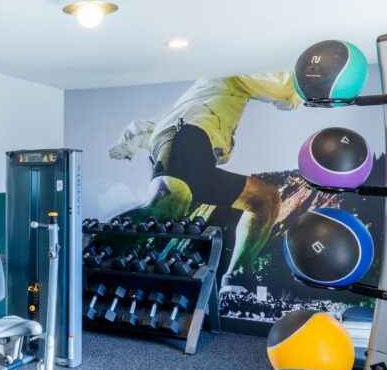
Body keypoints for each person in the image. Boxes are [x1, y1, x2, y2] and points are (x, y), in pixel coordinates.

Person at [108, 73, 301, 291]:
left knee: (265, 199)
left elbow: (145, 127)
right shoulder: (229, 73)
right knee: (169, 203)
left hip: (193, 150)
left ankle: (235, 281)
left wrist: (126, 145)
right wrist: (305, 89)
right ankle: (89, 249)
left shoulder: (194, 100)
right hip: (187, 135)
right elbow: (285, 91)